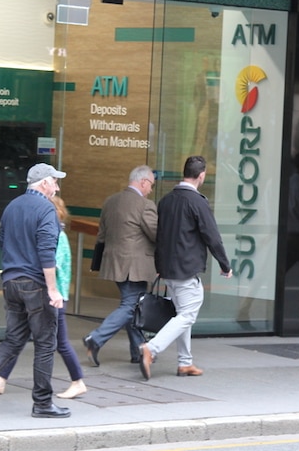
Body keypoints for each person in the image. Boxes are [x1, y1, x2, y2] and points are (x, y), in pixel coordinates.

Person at [0, 163, 71, 418]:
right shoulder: (46, 209)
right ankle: (42, 403)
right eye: (54, 181)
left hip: (11, 281)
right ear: (43, 183)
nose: (57, 186)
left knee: (14, 338)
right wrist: (53, 290)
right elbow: (46, 252)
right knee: (45, 343)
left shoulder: (12, 206)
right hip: (35, 283)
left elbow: (1, 240)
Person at [139, 156, 232, 380]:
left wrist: (160, 264)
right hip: (185, 268)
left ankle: (185, 363)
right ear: (201, 176)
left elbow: (161, 236)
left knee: (182, 313)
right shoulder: (197, 202)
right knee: (187, 315)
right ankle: (152, 348)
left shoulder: (167, 200)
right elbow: (212, 236)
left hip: (168, 268)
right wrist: (225, 264)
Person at [0, 195, 86, 399]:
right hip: (45, 293)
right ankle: (1, 379)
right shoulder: (52, 232)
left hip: (53, 295)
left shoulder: (58, 235)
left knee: (59, 342)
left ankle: (77, 381)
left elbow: (50, 262)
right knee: (19, 338)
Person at [82, 165, 158, 367]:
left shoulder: (110, 202)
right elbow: (156, 234)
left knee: (133, 307)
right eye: (150, 184)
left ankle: (139, 351)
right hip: (135, 266)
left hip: (114, 263)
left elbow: (102, 235)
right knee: (130, 306)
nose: (150, 189)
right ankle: (96, 339)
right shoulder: (144, 205)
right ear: (143, 182)